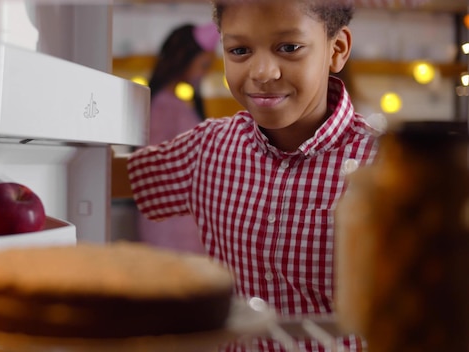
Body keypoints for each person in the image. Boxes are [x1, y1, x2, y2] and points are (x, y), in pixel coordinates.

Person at [127, 0, 381, 351]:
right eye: (240, 50)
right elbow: (109, 176)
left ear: (336, 49)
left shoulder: (383, 165)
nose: (262, 72)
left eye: (289, 47)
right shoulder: (208, 147)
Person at [135, 22, 220, 254]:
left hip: (183, 217)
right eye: (203, 64)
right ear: (184, 58)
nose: (205, 71)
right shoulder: (164, 106)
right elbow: (155, 163)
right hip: (171, 220)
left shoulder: (176, 103)